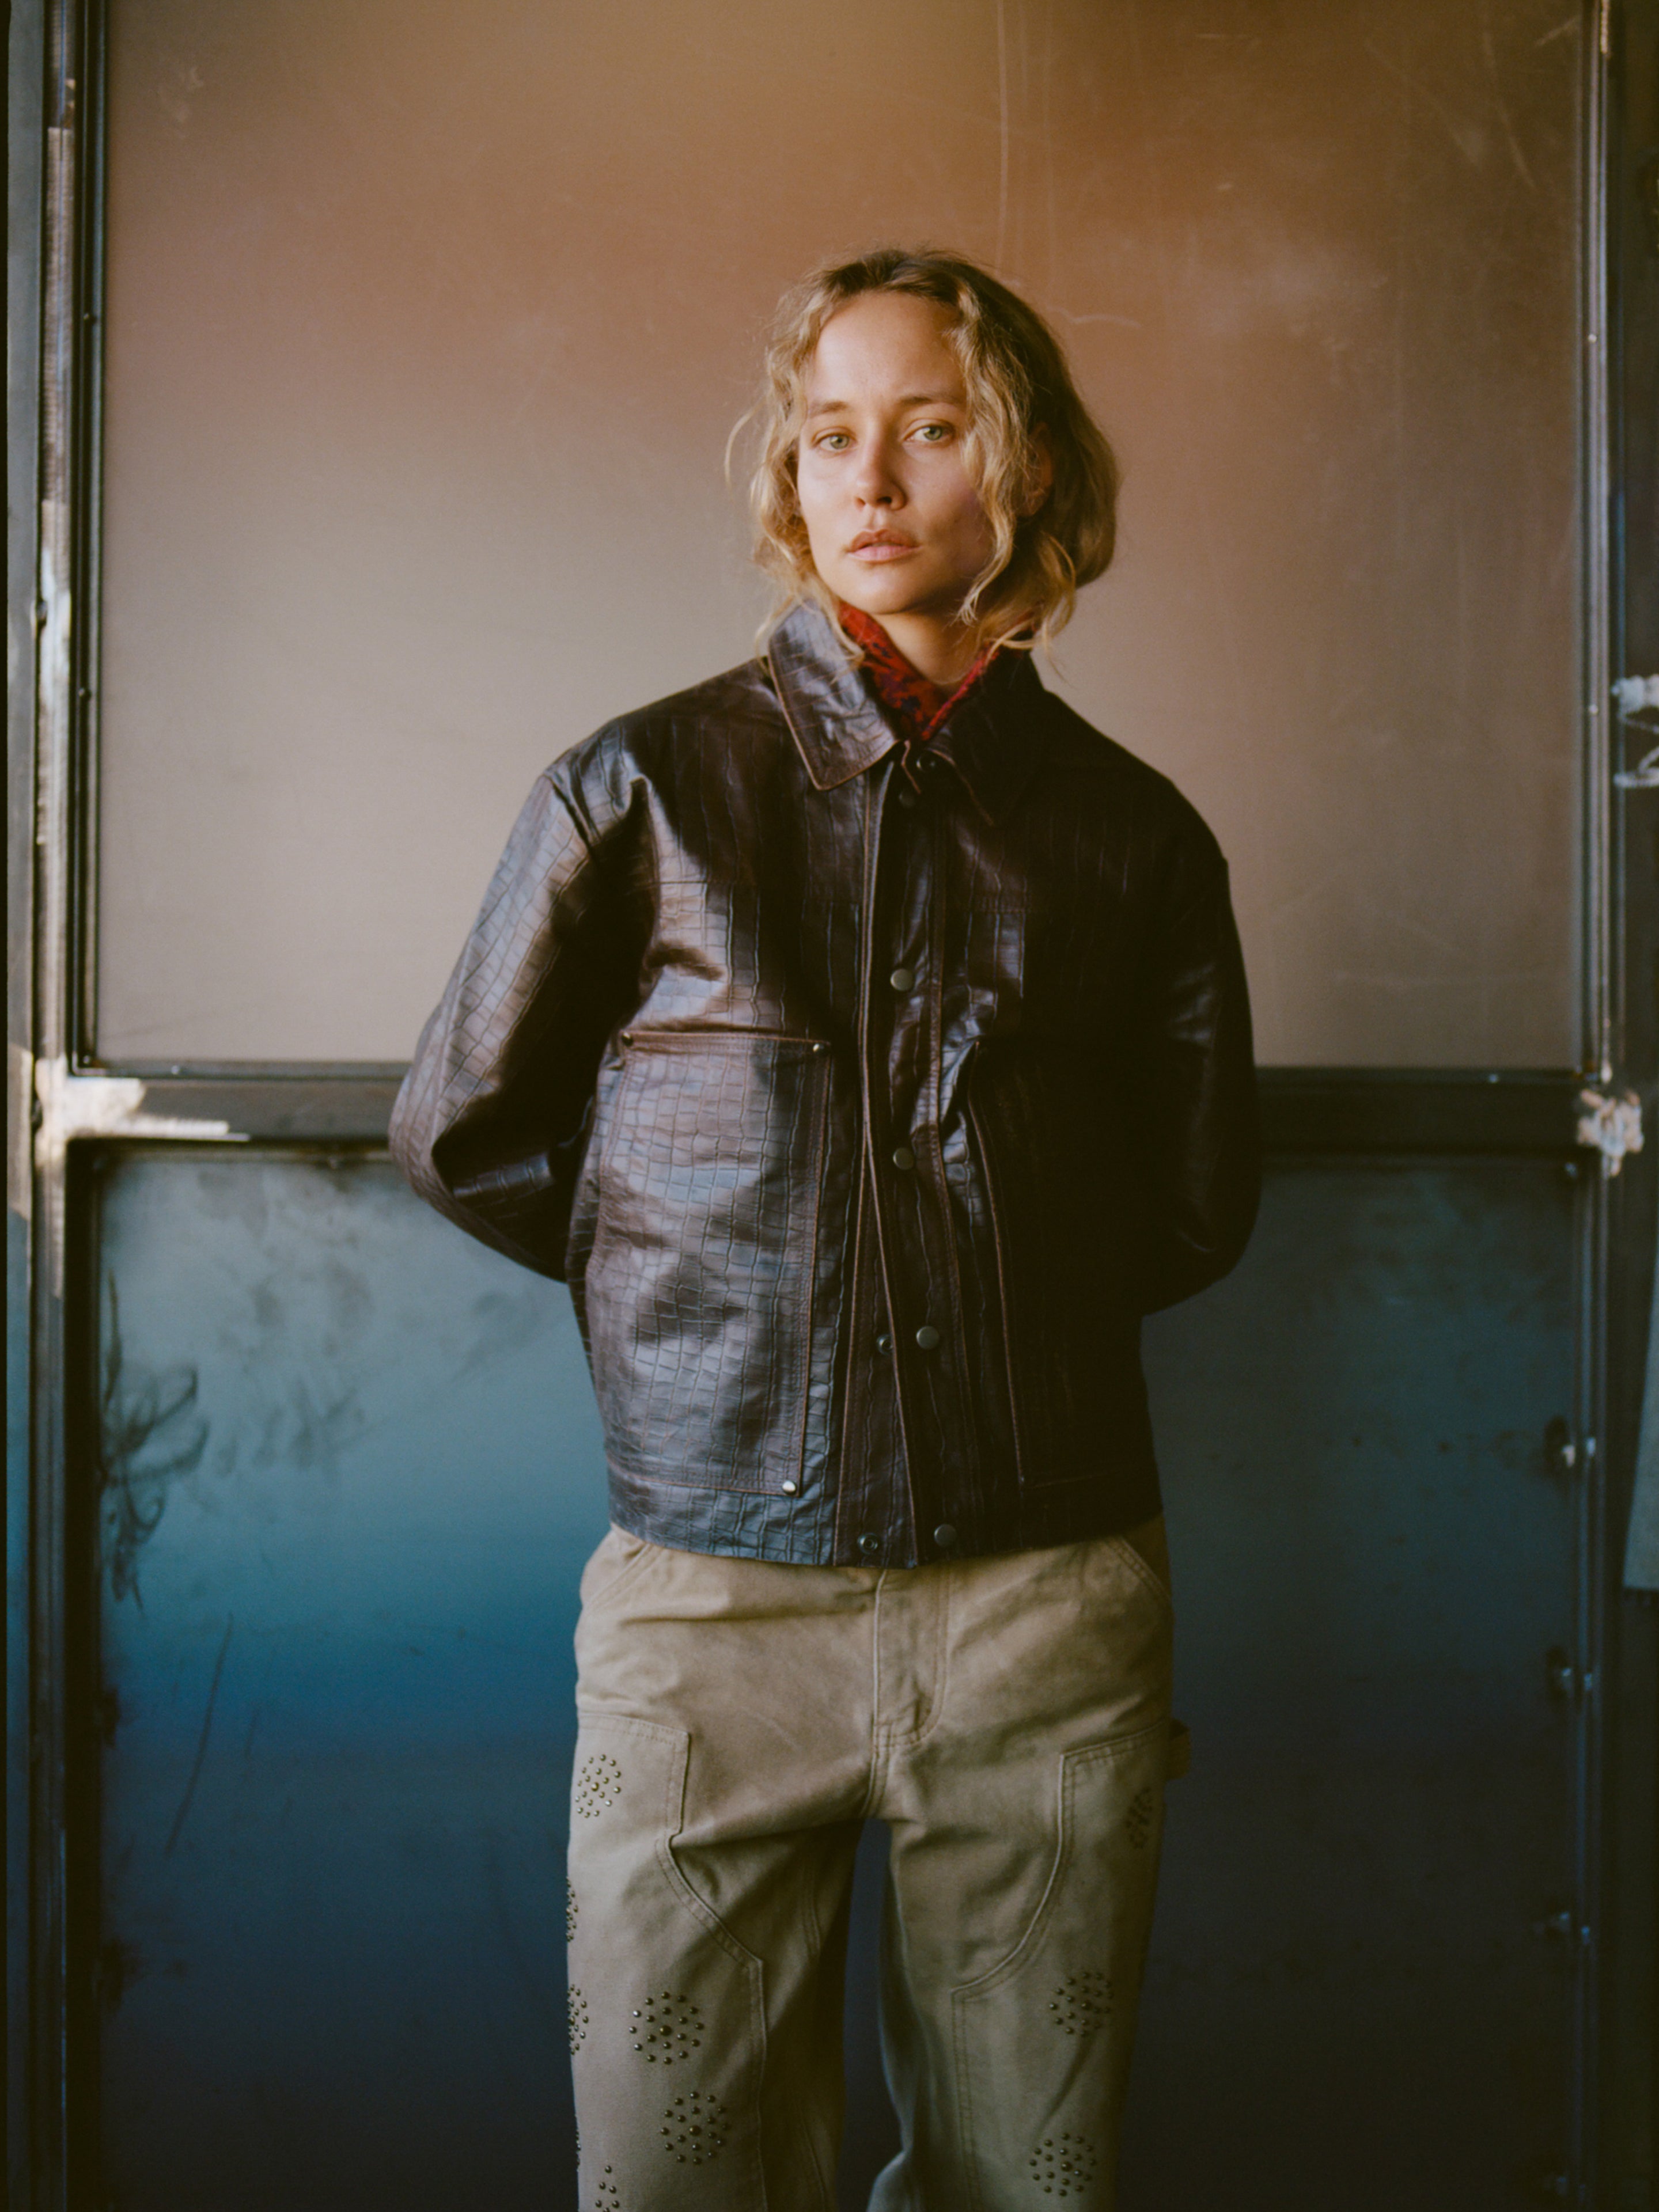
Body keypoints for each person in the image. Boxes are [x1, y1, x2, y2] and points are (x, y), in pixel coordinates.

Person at [390, 245, 1259, 2212]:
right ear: (787, 469)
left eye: (930, 428)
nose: (869, 477)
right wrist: (713, 1295)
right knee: (673, 2175)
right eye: (828, 431)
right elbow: (464, 1127)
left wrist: (983, 1299)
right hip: (708, 1605)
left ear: (1023, 465)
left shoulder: (1133, 833)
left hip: (1048, 1601)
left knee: (1030, 2180)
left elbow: (1197, 1201)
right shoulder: (641, 789)